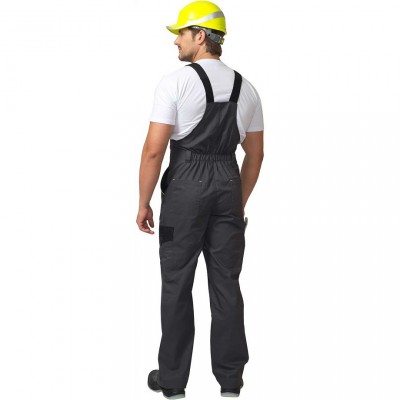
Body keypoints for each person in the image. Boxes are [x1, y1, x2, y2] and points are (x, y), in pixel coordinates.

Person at [137, 1, 264, 398]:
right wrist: (237, 203)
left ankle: (173, 382)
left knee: (177, 284)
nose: (176, 41)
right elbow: (255, 155)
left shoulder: (175, 83)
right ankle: (230, 382)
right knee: (226, 284)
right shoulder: (247, 88)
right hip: (228, 183)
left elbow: (154, 151)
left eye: (181, 33)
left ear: (201, 36)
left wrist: (143, 202)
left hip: (186, 189)